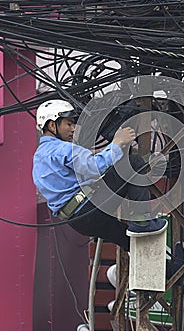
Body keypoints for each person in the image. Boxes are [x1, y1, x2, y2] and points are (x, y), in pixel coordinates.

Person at [32, 99, 167, 251]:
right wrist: (117, 143)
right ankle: (143, 222)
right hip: (89, 207)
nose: (73, 129)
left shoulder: (38, 158)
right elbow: (94, 167)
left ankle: (174, 268)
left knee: (129, 240)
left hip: (77, 221)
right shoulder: (62, 149)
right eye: (68, 124)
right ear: (52, 125)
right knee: (132, 163)